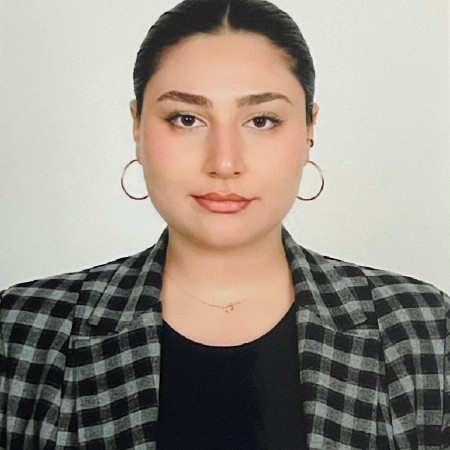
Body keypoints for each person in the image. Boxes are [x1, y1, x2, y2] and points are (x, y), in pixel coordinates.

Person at [0, 0, 448, 448]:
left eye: (261, 120)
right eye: (186, 119)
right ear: (137, 125)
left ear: (309, 128)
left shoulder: (424, 329)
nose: (224, 162)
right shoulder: (22, 331)